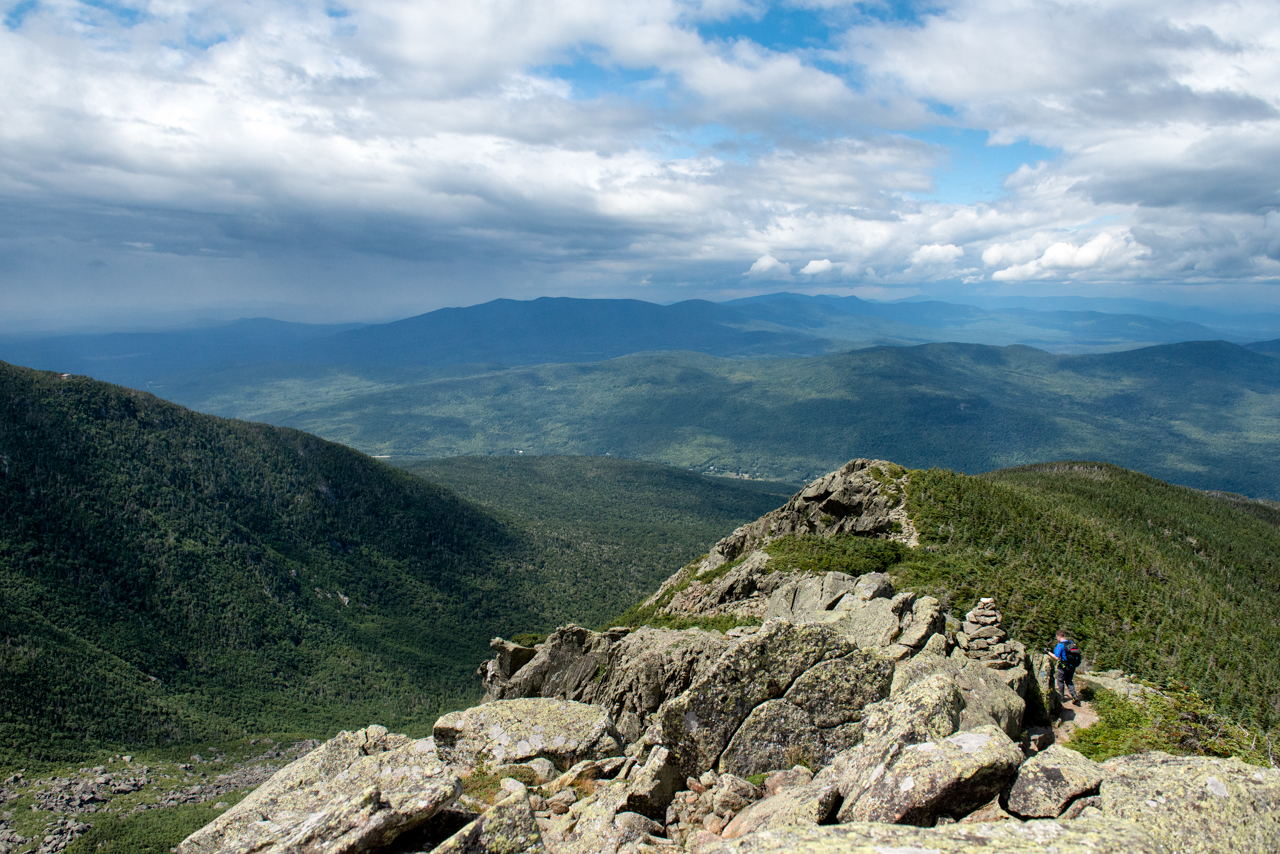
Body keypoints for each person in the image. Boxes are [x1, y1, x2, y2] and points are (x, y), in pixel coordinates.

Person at [1050, 629, 1083, 704]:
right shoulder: (1071, 643)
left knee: (1060, 680)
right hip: (1072, 666)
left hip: (1064, 666)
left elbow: (1056, 657)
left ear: (1058, 637)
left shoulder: (1060, 645)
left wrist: (1048, 652)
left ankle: (1061, 698)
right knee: (1069, 680)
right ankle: (1074, 696)